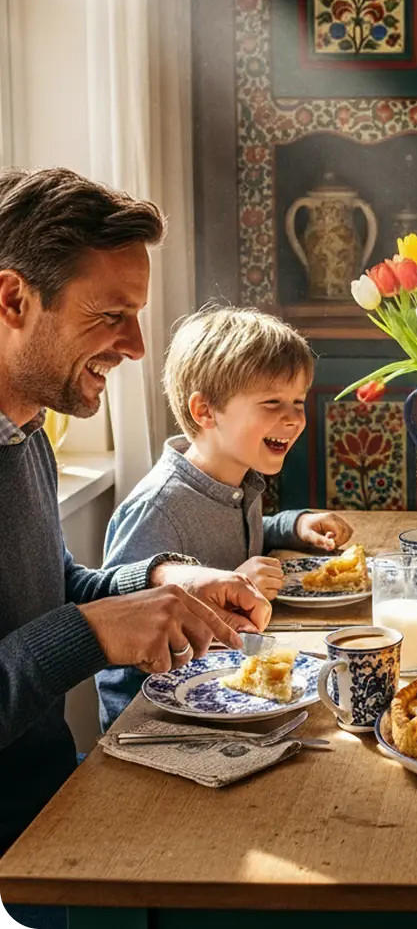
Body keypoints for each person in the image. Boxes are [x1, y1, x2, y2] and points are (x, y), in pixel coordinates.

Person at [0, 167, 271, 855]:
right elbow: (67, 625)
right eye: (110, 315)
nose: (136, 348)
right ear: (13, 299)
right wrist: (90, 632)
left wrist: (162, 582)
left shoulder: (25, 431)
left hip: (54, 805)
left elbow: (51, 588)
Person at [96, 307, 353, 728]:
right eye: (272, 402)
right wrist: (234, 582)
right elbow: (121, 641)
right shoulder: (157, 510)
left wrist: (293, 525)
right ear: (205, 411)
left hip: (232, 697)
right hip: (159, 723)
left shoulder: (238, 480)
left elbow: (240, 536)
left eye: (298, 402)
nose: (293, 418)